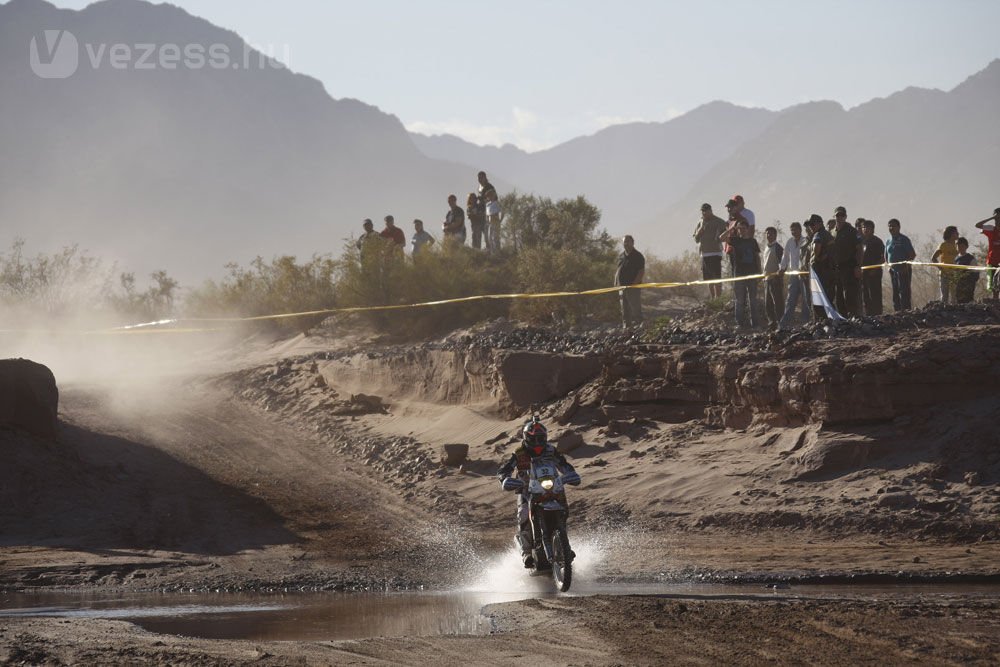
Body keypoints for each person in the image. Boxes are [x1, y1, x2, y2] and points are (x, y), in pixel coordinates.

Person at [497, 418, 580, 568]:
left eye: (540, 438)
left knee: (563, 511)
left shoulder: (550, 450)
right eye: (533, 439)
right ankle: (527, 553)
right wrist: (505, 479)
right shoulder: (519, 453)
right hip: (526, 489)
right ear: (526, 438)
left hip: (552, 488)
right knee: (523, 515)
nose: (537, 442)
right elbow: (505, 470)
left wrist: (571, 475)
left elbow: (563, 464)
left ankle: (564, 546)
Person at [722, 217, 761, 329]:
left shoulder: (753, 241)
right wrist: (731, 229)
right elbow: (721, 238)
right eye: (740, 228)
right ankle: (739, 324)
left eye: (744, 228)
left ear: (748, 229)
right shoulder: (735, 240)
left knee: (752, 300)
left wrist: (760, 272)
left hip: (752, 273)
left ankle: (755, 324)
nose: (742, 230)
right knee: (739, 301)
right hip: (739, 274)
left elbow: (757, 257)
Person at [831, 206, 863, 318]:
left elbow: (859, 249)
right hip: (837, 269)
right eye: (837, 215)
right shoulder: (832, 232)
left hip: (849, 267)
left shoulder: (852, 231)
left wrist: (858, 266)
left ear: (845, 216)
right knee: (839, 297)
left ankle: (854, 319)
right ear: (834, 216)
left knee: (850, 296)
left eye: (842, 215)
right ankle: (843, 320)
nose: (839, 217)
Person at [778, 221, 810, 329]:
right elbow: (785, 257)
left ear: (800, 230)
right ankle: (784, 323)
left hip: (804, 274)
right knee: (790, 298)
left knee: (806, 299)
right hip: (793, 274)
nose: (793, 232)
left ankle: (806, 321)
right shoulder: (789, 242)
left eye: (795, 229)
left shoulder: (805, 241)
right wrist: (782, 268)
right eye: (792, 230)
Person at [693, 203, 727, 299]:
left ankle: (718, 299)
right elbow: (696, 239)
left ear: (710, 211)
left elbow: (724, 237)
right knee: (708, 279)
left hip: (715, 252)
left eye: (706, 211)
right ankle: (713, 299)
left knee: (716, 277)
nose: (704, 213)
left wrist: (718, 238)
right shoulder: (700, 222)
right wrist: (700, 231)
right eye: (702, 211)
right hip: (704, 254)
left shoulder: (719, 221)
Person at [808, 214, 836, 321]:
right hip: (830, 271)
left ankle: (822, 323)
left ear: (820, 223)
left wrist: (815, 258)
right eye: (810, 224)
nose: (811, 226)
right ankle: (832, 322)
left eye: (813, 224)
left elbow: (817, 248)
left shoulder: (818, 235)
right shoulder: (828, 235)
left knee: (819, 300)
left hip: (821, 272)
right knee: (828, 299)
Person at [614, 235, 645, 329]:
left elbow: (641, 271)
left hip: (633, 288)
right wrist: (616, 283)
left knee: (636, 310)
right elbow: (618, 270)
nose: (626, 244)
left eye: (628, 242)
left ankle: (642, 328)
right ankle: (627, 329)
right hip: (621, 288)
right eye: (624, 242)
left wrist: (634, 285)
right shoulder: (621, 256)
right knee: (624, 310)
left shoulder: (638, 256)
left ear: (632, 243)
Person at [885, 218, 916, 311]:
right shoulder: (888, 240)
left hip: (904, 270)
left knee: (904, 292)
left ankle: (906, 312)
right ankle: (897, 312)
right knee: (895, 293)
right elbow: (886, 255)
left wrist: (905, 266)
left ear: (899, 227)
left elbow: (912, 254)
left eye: (893, 226)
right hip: (893, 271)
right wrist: (888, 266)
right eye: (889, 226)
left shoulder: (904, 239)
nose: (891, 228)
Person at [860, 219, 886, 316]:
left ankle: (878, 316)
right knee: (865, 296)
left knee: (875, 296)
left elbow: (883, 258)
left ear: (873, 229)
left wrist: (874, 269)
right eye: (864, 227)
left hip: (875, 273)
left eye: (868, 227)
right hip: (863, 273)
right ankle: (868, 316)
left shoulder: (877, 241)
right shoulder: (861, 241)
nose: (866, 229)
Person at [974, 208, 1000, 299]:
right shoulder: (991, 228)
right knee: (993, 285)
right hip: (992, 260)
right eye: (997, 218)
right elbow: (977, 225)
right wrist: (992, 218)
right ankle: (995, 302)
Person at [761, 226, 784, 329]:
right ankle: (772, 323)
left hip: (775, 280)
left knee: (778, 302)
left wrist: (778, 276)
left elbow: (782, 264)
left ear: (775, 235)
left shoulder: (778, 248)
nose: (769, 235)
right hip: (766, 279)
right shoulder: (766, 248)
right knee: (768, 304)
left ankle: (781, 322)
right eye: (767, 234)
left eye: (771, 234)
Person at [931, 226, 959, 304]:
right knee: (945, 295)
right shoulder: (943, 245)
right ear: (951, 234)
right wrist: (942, 269)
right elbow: (933, 258)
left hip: (955, 274)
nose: (958, 234)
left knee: (954, 295)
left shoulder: (958, 246)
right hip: (945, 274)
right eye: (956, 232)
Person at [953, 237, 980, 304]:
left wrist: (970, 281)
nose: (960, 248)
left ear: (966, 246)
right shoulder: (956, 259)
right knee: (959, 299)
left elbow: (976, 272)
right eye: (958, 246)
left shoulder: (970, 258)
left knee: (968, 299)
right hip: (958, 284)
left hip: (968, 284)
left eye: (962, 246)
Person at [478, 171, 499, 249]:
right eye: (479, 178)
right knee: (486, 233)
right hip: (483, 213)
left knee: (493, 234)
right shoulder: (480, 187)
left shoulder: (489, 187)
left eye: (481, 177)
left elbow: (495, 199)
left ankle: (495, 251)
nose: (480, 179)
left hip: (491, 212)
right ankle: (489, 249)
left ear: (485, 178)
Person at [484, 187, 503, 252]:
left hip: (496, 221)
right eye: (488, 196)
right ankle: (493, 252)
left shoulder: (497, 203)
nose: (490, 197)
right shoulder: (487, 205)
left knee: (495, 237)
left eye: (491, 195)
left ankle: (498, 251)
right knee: (490, 238)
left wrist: (500, 219)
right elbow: (487, 214)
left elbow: (502, 211)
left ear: (494, 195)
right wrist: (487, 221)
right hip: (490, 222)